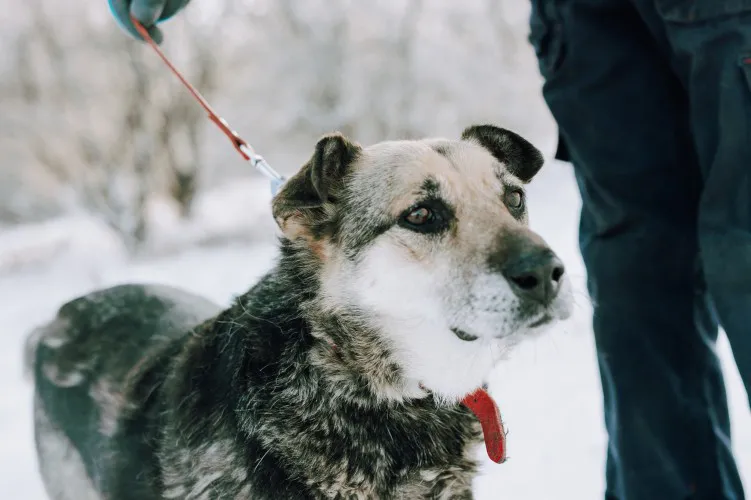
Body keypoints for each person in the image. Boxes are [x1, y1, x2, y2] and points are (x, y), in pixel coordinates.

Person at [109, 1, 751, 498]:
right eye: (425, 216)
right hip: (586, 19)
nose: (535, 256)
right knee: (638, 262)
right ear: (318, 229)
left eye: (509, 201)